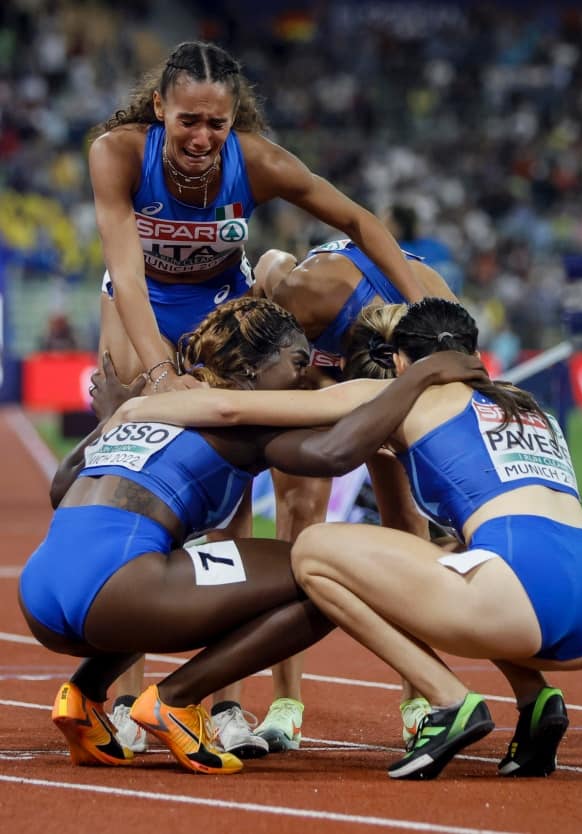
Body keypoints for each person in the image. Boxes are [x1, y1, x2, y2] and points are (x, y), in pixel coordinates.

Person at [90, 38, 430, 737]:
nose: (201, 137)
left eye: (216, 123)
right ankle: (122, 699)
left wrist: (422, 312)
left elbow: (360, 221)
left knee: (229, 490)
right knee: (129, 479)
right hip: (138, 307)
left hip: (219, 312)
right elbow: (126, 275)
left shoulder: (258, 161)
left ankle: (223, 701)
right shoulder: (118, 153)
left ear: (233, 119)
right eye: (187, 120)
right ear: (160, 108)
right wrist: (157, 378)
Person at [19, 297, 487, 776]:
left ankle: (84, 696)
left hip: (41, 596)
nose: (304, 379)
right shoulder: (242, 423)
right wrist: (415, 379)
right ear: (249, 369)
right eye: (296, 363)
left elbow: (61, 487)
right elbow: (333, 455)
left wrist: (109, 426)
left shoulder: (148, 410)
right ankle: (174, 701)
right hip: (116, 590)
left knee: (184, 560)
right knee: (328, 576)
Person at [288, 297, 582, 780]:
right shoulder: (524, 403)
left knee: (314, 552)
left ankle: (448, 701)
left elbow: (247, 411)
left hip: (518, 597)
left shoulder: (411, 398)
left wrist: (155, 395)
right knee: (458, 556)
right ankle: (535, 697)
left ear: (400, 361)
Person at [250, 240, 458, 750]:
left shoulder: (444, 330)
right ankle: (285, 704)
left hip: (390, 382)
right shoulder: (306, 293)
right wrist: (320, 385)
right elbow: (269, 265)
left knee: (410, 527)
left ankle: (419, 700)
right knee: (298, 524)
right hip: (310, 377)